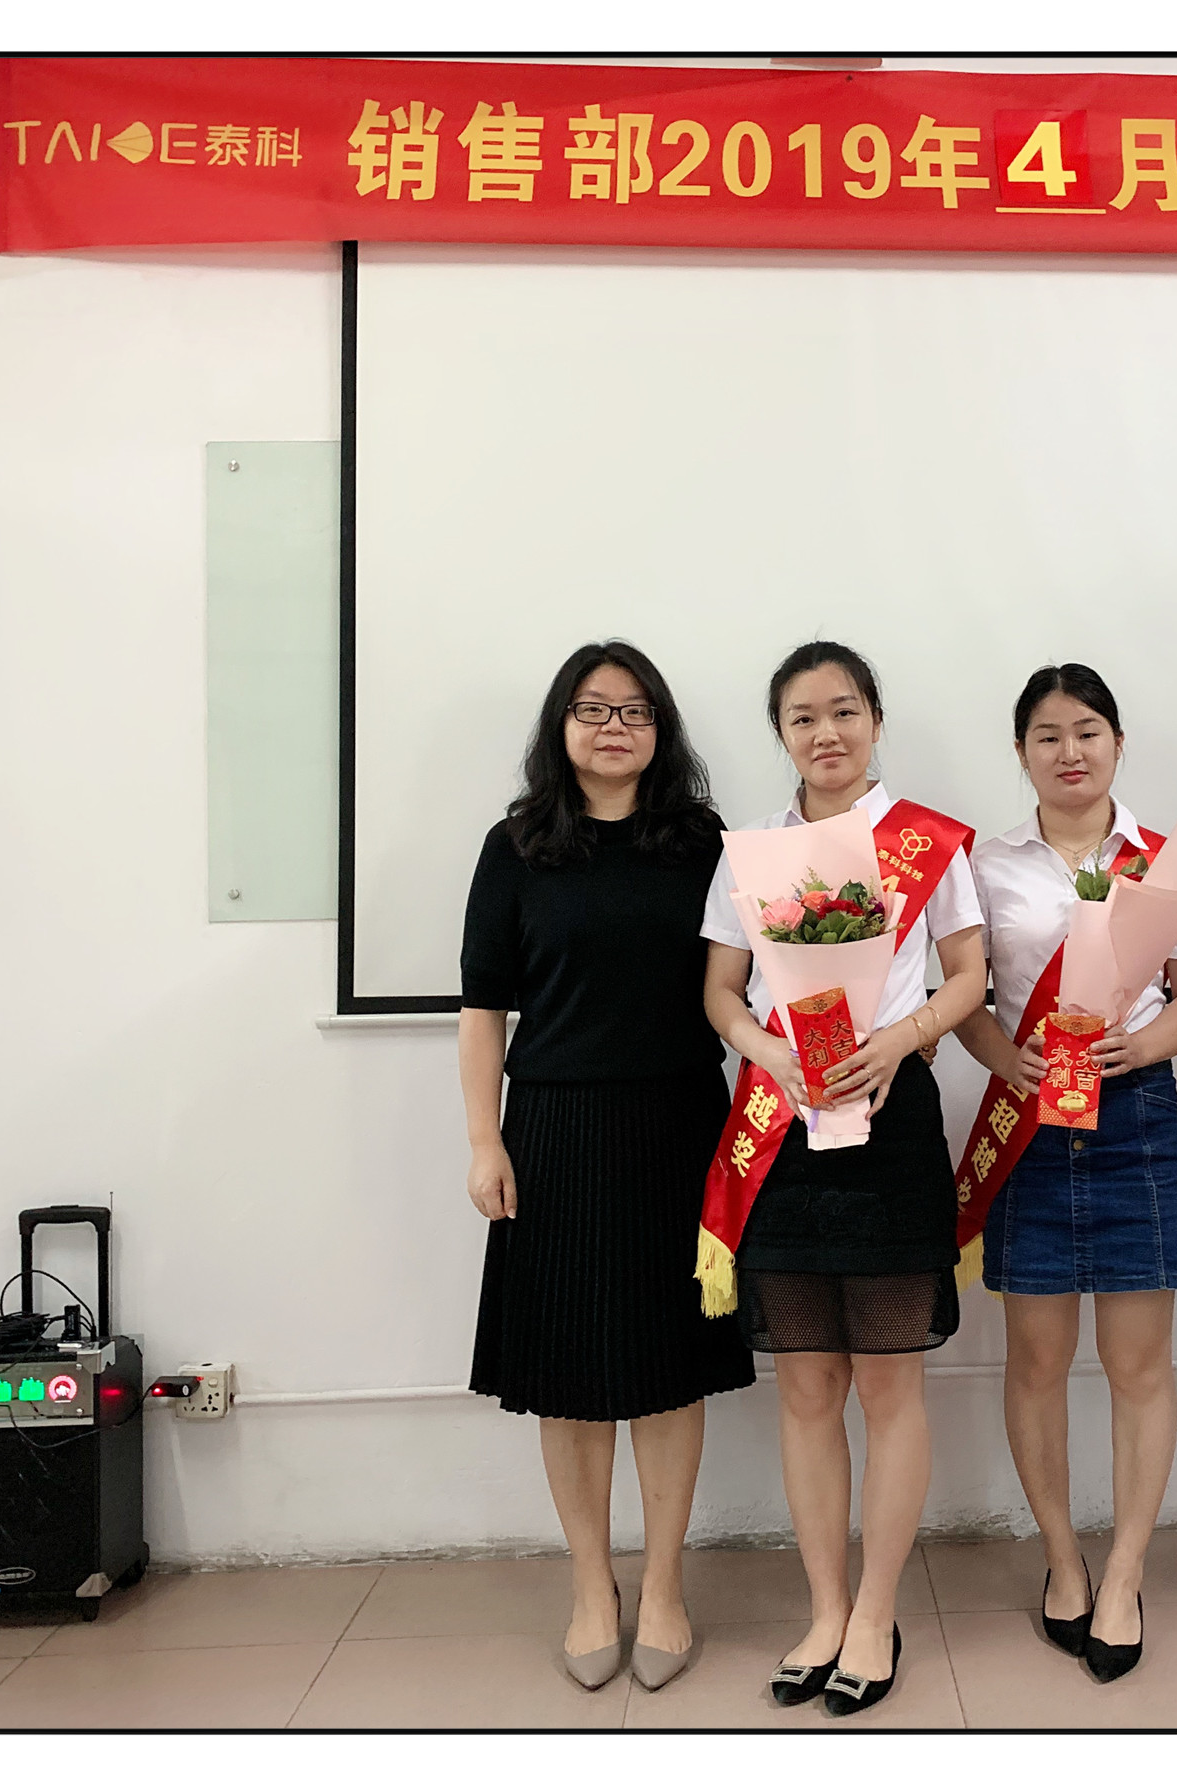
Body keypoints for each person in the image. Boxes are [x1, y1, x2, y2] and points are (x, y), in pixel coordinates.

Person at [459, 640, 755, 1694]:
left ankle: (663, 1584)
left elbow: (745, 983)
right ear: (561, 725)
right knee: (570, 1375)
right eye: (592, 709)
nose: (613, 727)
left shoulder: (705, 843)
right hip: (553, 1129)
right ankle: (593, 1585)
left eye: (634, 710)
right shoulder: (516, 845)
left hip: (681, 1124)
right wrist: (484, 1138)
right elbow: (483, 1007)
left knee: (670, 1367)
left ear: (660, 728)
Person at [700, 641, 986, 1717]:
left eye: (844, 710)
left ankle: (875, 1612)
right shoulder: (751, 851)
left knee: (886, 1385)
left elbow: (970, 976)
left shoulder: (927, 840)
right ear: (780, 733)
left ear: (874, 720)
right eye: (803, 717)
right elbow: (720, 991)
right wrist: (764, 1049)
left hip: (890, 1120)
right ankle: (823, 1608)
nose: (826, 732)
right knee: (807, 1387)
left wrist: (901, 1036)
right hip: (781, 1126)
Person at [952, 664, 1177, 1684]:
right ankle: (1062, 1558)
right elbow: (968, 996)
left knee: (1138, 1364)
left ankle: (1125, 1572)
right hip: (1027, 1122)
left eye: (1088, 730)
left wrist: (1138, 1046)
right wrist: (1000, 1055)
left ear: (1117, 742)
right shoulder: (983, 863)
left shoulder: (1162, 863)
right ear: (1021, 751)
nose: (1070, 751)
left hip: (1133, 1117)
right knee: (1035, 1360)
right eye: (1048, 735)